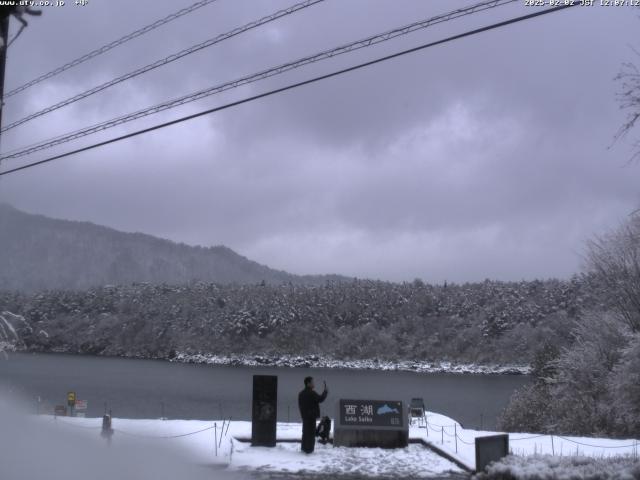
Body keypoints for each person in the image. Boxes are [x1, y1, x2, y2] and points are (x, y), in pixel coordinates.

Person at [298, 376, 328, 453]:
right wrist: (325, 392)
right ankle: (309, 450)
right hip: (311, 417)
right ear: (308, 383)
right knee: (311, 434)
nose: (314, 383)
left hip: (305, 417)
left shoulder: (301, 394)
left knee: (305, 433)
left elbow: (301, 406)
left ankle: (304, 449)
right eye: (312, 382)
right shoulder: (312, 393)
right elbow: (320, 399)